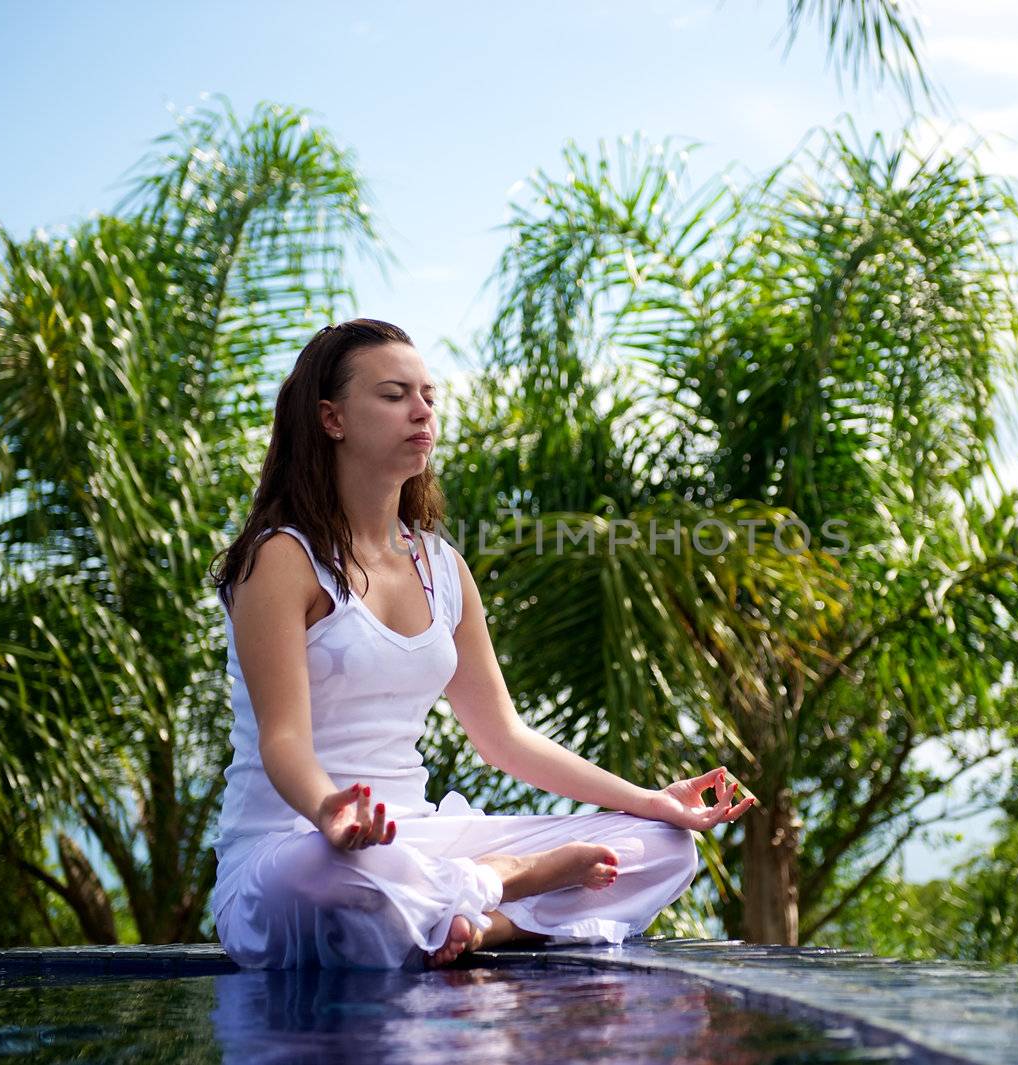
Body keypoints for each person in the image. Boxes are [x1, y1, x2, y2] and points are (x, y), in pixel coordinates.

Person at [208, 318, 755, 970]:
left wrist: (648, 800)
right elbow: (284, 740)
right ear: (332, 418)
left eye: (429, 395)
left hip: (419, 841)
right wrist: (330, 810)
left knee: (663, 846)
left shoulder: (440, 567)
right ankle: (509, 879)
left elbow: (502, 736)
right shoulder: (282, 559)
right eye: (393, 394)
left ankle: (480, 923)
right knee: (322, 876)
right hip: (296, 844)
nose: (422, 411)